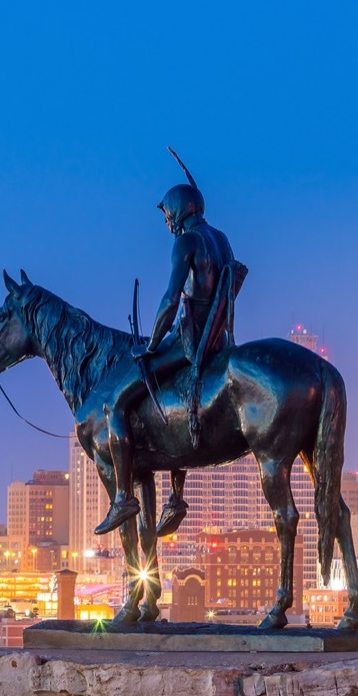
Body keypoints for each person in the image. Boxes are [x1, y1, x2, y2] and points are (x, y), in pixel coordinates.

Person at [94, 151, 246, 536]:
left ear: (178, 211)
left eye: (167, 216)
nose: (166, 223)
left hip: (190, 342)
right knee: (169, 395)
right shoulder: (222, 240)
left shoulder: (187, 243)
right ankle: (175, 497)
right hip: (220, 340)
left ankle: (124, 497)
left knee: (118, 401)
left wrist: (152, 344)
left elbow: (171, 300)